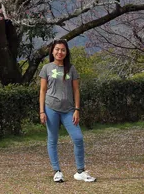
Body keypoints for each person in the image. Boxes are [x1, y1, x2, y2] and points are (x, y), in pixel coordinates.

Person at [39, 39, 96, 183]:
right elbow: (43, 90)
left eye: (63, 50)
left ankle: (80, 171)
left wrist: (77, 109)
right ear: (52, 51)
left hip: (69, 110)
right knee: (53, 139)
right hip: (51, 108)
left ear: (66, 52)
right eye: (57, 49)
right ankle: (57, 171)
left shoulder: (71, 68)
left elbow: (76, 90)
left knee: (78, 138)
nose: (60, 52)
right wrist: (42, 111)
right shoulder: (46, 68)